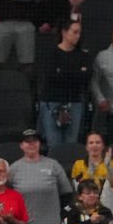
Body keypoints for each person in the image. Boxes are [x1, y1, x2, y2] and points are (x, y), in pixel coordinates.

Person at [8, 129, 74, 224]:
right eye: (27, 142)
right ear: (21, 146)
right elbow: (7, 196)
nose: (31, 144)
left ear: (39, 144)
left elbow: (67, 194)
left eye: (35, 141)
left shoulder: (53, 165)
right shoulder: (13, 169)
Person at [39, 18, 92, 149]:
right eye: (74, 32)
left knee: (71, 143)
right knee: (53, 143)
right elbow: (51, 76)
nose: (77, 36)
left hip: (74, 101)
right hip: (52, 101)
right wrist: (76, 73)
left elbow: (86, 78)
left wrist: (62, 73)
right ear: (64, 32)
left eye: (79, 33)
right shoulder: (51, 53)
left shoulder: (83, 56)